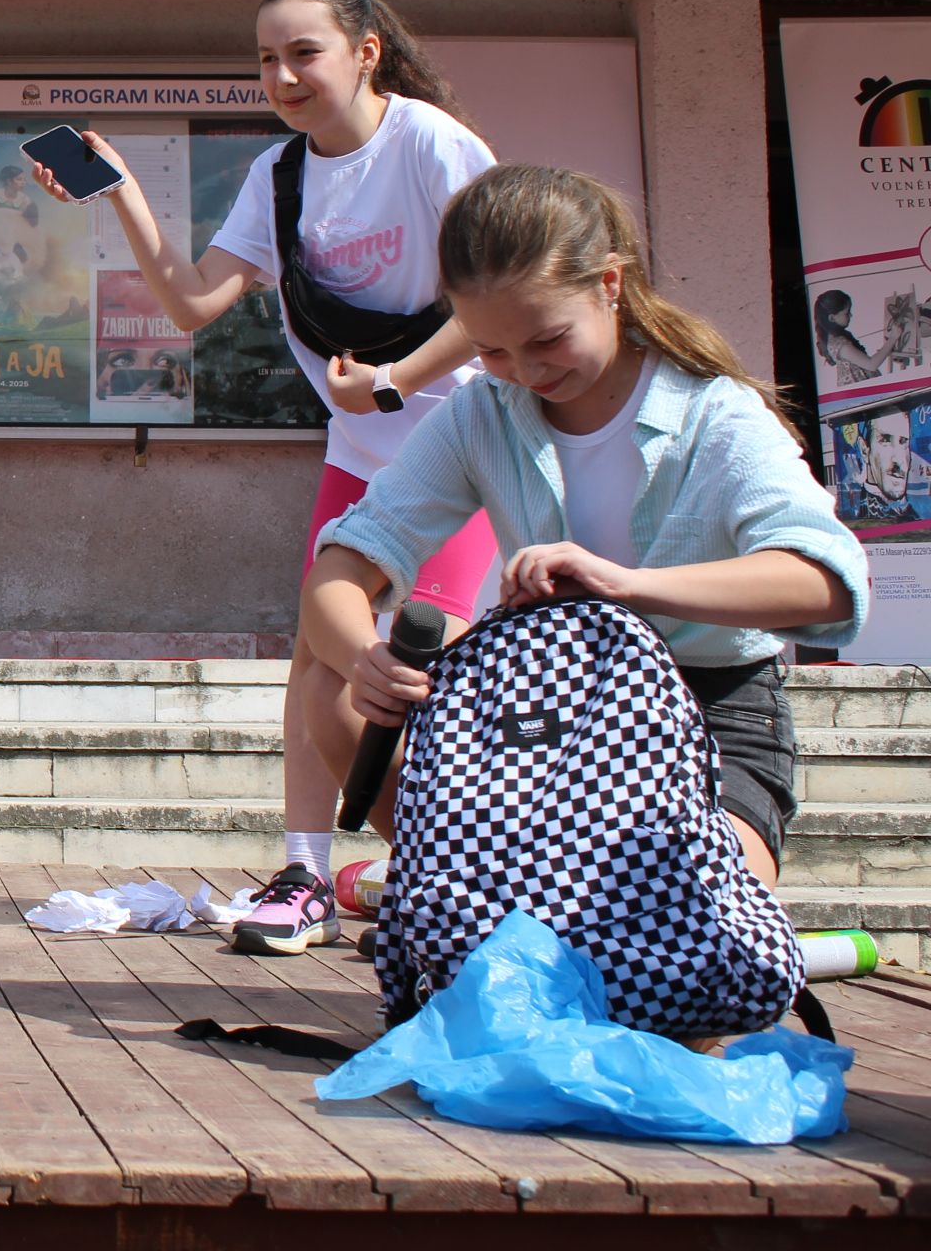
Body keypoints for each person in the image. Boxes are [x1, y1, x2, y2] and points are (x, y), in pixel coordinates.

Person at [34, 0, 498, 954]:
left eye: (304, 53)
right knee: (317, 654)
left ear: (365, 53)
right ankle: (306, 875)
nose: (283, 76)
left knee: (433, 662)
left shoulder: (430, 144)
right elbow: (191, 301)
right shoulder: (278, 175)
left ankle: (459, 875)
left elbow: (500, 294)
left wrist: (392, 380)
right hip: (361, 451)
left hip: (463, 447)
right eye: (266, 59)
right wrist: (121, 195)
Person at [303, 164, 867, 888]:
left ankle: (502, 898)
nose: (523, 371)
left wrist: (627, 587)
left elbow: (827, 583)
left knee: (680, 908)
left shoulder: (714, 413)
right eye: (491, 349)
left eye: (547, 339)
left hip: (707, 708)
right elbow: (341, 569)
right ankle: (468, 893)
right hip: (542, 717)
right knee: (332, 687)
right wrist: (364, 659)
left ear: (609, 283)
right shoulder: (480, 415)